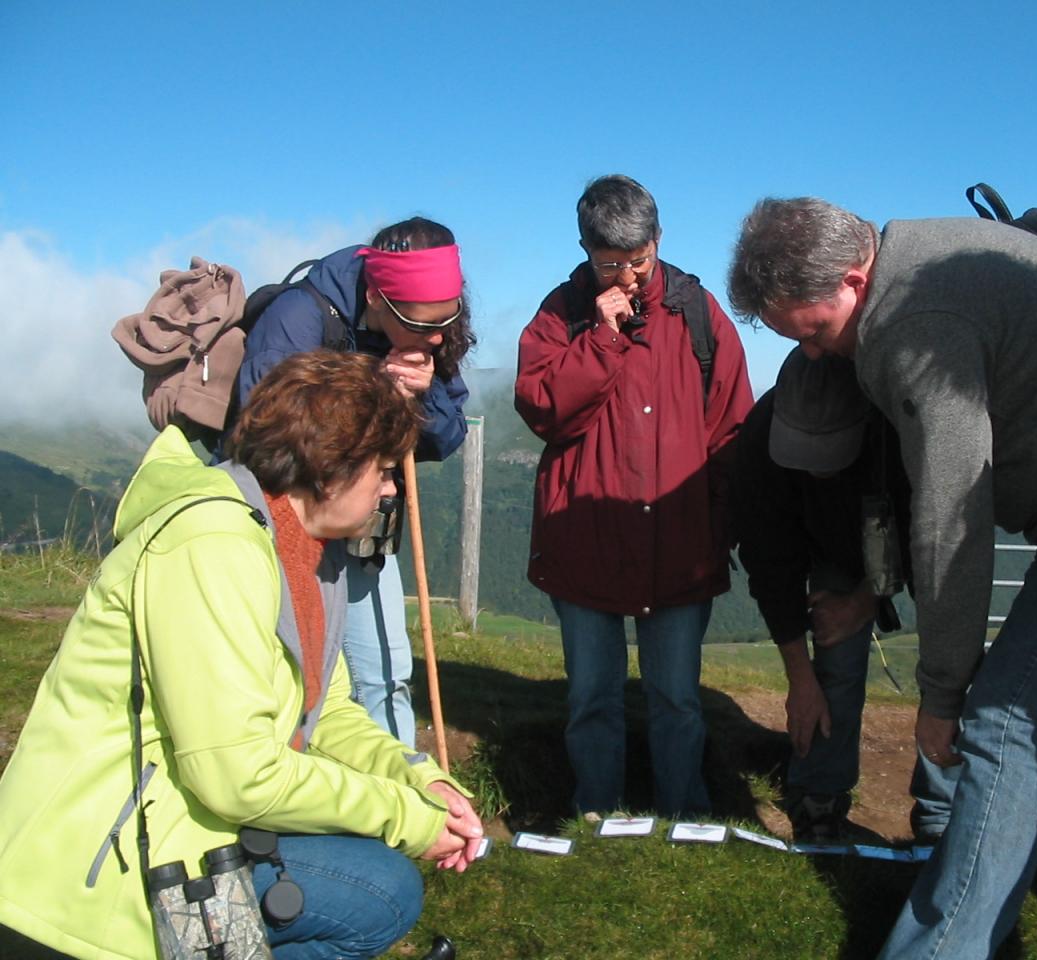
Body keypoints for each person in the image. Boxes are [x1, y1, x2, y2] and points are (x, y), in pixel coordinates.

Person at [728, 198, 1037, 958]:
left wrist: (943, 696)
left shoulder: (911, 324)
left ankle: (940, 947)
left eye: (815, 331)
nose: (813, 355)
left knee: (1003, 722)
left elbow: (950, 520)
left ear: (854, 279)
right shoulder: (922, 254)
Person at [0, 351, 484, 960]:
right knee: (379, 892)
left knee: (383, 887)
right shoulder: (212, 543)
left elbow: (326, 714)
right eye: (384, 471)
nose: (392, 489)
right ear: (332, 468)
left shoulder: (308, 554)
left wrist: (421, 783)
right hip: (93, 869)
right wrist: (404, 819)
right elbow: (236, 773)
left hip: (182, 821)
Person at [515, 175, 754, 818]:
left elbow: (732, 427)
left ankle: (684, 810)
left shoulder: (698, 313)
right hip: (585, 539)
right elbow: (542, 410)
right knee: (592, 692)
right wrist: (602, 338)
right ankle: (597, 805)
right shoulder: (561, 313)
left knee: (676, 694)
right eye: (610, 263)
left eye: (638, 260)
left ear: (659, 239)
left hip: (679, 541)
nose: (625, 276)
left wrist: (721, 524)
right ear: (586, 249)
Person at [234, 217, 475, 749]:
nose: (436, 336)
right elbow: (265, 439)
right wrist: (372, 392)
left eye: (447, 320)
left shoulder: (428, 337)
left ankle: (405, 799)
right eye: (421, 323)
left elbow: (447, 438)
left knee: (385, 673)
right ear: (378, 298)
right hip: (291, 536)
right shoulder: (298, 319)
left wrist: (427, 393)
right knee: (295, 674)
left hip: (367, 530)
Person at [733, 346, 911, 842]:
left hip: (900, 526)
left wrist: (865, 600)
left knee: (946, 658)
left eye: (829, 449)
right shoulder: (759, 439)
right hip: (815, 536)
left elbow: (929, 531)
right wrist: (799, 679)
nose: (817, 466)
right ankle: (820, 796)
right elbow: (769, 563)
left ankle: (943, 805)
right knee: (835, 655)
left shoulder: (898, 426)